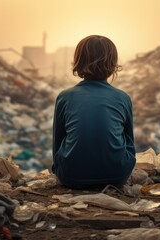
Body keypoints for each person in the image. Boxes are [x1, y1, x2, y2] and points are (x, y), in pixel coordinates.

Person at [52, 35, 136, 189]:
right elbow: (129, 141)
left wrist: (59, 170)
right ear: (113, 64)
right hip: (117, 177)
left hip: (71, 177)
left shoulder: (65, 97)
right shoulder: (123, 98)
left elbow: (58, 142)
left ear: (78, 62)